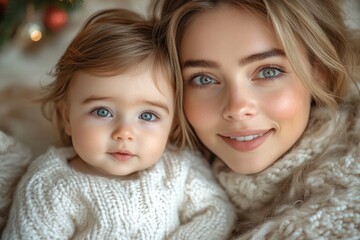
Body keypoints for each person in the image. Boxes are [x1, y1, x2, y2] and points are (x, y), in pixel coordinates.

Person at [2, 8, 236, 239]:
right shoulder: (50, 185)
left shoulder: (178, 168)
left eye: (147, 116)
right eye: (102, 111)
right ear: (66, 118)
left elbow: (217, 212)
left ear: (172, 125)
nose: (124, 133)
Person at [153, 0, 360, 239]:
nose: (237, 108)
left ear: (320, 71)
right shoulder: (156, 178)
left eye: (268, 71)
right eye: (203, 79)